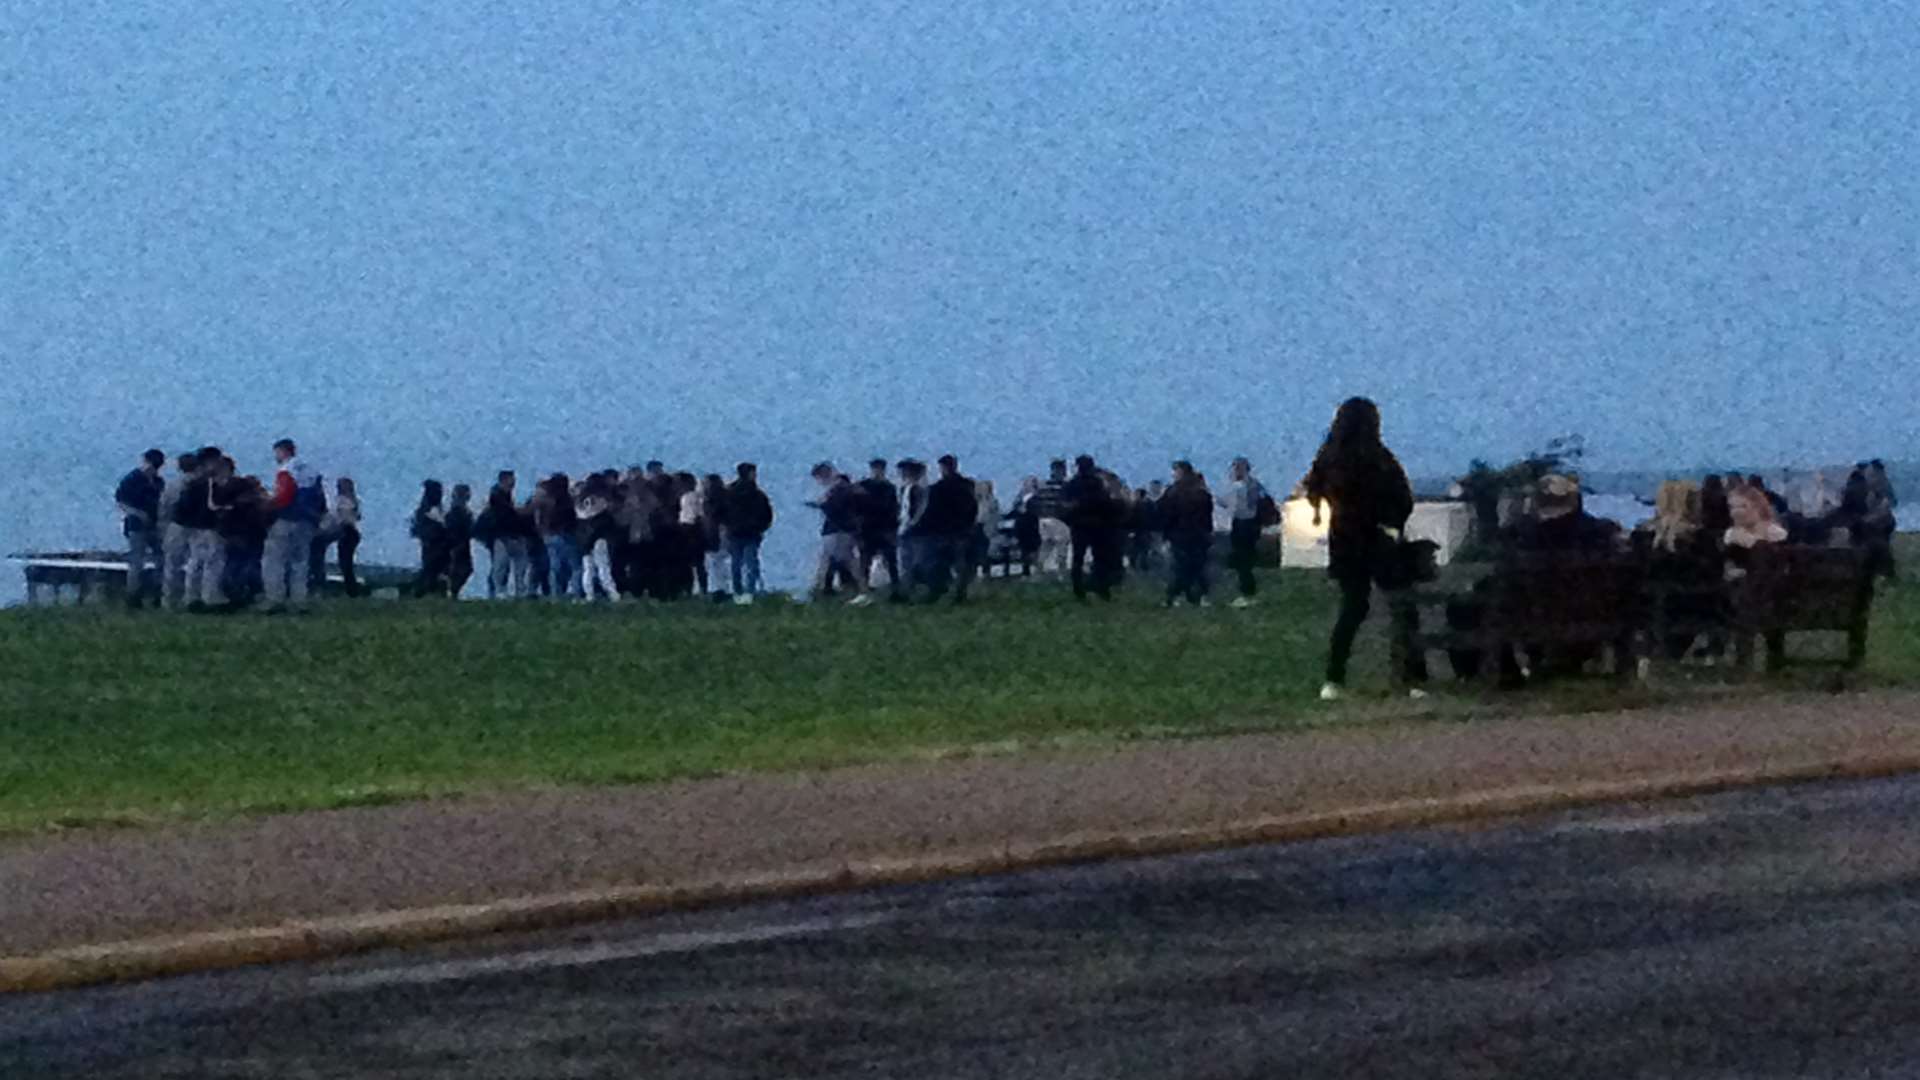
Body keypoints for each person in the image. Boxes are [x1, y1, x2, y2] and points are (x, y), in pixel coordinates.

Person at [1302, 397, 1427, 700]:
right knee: (1402, 606)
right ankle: (1413, 678)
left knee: (1353, 607)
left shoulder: (1329, 458)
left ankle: (1334, 679)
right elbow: (1402, 496)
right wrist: (1392, 522)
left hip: (1344, 540)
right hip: (1377, 538)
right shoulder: (1378, 456)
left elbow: (1313, 489)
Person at [1632, 480, 1724, 662]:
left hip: (1650, 608)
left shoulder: (1642, 538)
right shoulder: (1702, 539)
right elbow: (1714, 573)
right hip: (1696, 606)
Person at [256, 439, 325, 613]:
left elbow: (285, 495)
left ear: (282, 451)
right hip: (307, 520)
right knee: (300, 562)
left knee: (273, 561)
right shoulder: (311, 470)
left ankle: (274, 599)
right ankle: (299, 601)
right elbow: (320, 496)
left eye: (277, 453)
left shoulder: (287, 470)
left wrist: (268, 506)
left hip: (287, 518)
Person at [806, 464, 872, 605]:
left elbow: (838, 508)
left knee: (849, 561)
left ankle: (863, 591)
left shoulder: (840, 488)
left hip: (839, 530)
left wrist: (822, 505)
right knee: (827, 561)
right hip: (837, 529)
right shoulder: (841, 488)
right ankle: (818, 590)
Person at [919, 455, 980, 604]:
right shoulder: (967, 485)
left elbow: (932, 511)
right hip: (962, 530)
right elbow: (973, 507)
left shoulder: (938, 488)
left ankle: (938, 591)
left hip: (944, 531)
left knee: (937, 564)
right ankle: (960, 593)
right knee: (960, 564)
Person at [1061, 455, 1122, 600]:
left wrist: (1072, 518)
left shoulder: (1072, 484)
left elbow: (1064, 505)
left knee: (1078, 558)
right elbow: (1106, 503)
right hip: (1098, 525)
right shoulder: (1097, 484)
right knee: (1100, 558)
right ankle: (1101, 588)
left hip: (1079, 525)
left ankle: (1078, 589)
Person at [115, 449, 166, 609]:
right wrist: (138, 513)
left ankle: (157, 594)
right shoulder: (132, 479)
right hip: (136, 526)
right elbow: (121, 501)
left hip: (155, 525)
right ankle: (133, 596)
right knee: (137, 561)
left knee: (161, 559)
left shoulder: (158, 482)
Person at [1217, 457, 1270, 608]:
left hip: (1243, 524)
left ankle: (1247, 593)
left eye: (1235, 468)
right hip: (1253, 526)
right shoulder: (1256, 485)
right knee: (1247, 559)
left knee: (1243, 561)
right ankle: (1249, 592)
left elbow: (1230, 505)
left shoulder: (1239, 486)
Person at [1160, 461, 1214, 608]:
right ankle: (1199, 596)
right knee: (1198, 567)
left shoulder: (1173, 491)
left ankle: (1175, 596)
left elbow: (1166, 514)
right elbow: (1207, 515)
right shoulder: (1201, 491)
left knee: (1181, 567)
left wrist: (1166, 533)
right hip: (1199, 534)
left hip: (1179, 534)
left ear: (1180, 472)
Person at [723, 463, 773, 604]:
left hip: (734, 532)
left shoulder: (729, 492)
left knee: (736, 564)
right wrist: (761, 527)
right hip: (751, 532)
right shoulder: (757, 494)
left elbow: (723, 512)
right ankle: (749, 592)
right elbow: (767, 514)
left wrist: (728, 525)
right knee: (751, 563)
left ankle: (737, 592)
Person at [856, 458, 905, 600]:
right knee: (865, 562)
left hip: (884, 529)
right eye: (875, 468)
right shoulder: (863, 486)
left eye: (880, 469)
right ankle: (864, 591)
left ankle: (895, 591)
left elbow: (893, 509)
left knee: (890, 562)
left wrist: (894, 529)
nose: (878, 472)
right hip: (868, 529)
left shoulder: (888, 487)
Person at [159, 451, 200, 610]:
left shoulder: (172, 485)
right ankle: (190, 597)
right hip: (196, 527)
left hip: (175, 526)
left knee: (171, 565)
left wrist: (162, 527)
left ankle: (168, 600)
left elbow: (164, 507)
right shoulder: (202, 484)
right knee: (194, 564)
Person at [481, 471, 530, 599]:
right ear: (503, 480)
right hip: (503, 536)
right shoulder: (498, 497)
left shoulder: (504, 496)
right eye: (511, 481)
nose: (513, 484)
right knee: (501, 565)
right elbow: (503, 516)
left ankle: (506, 590)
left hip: (509, 535)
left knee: (509, 564)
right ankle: (501, 590)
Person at [310, 477, 362, 598]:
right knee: (346, 563)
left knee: (344, 562)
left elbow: (342, 519)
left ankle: (350, 590)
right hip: (349, 532)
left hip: (345, 532)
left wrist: (325, 529)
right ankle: (351, 589)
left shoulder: (343, 501)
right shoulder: (352, 501)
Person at [534, 473, 582, 600]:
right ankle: (575, 593)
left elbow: (540, 519)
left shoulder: (547, 501)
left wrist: (544, 532)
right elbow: (573, 519)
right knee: (574, 567)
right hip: (567, 535)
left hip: (551, 536)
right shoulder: (568, 501)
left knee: (555, 567)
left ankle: (556, 594)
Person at [897, 459, 933, 589]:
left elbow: (920, 508)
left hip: (916, 530)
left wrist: (913, 523)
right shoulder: (904, 489)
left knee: (917, 559)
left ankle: (918, 585)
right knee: (906, 559)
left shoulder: (919, 489)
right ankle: (908, 586)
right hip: (904, 528)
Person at [412, 480, 451, 597]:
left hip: (436, 544)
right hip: (433, 544)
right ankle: (422, 591)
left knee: (434, 569)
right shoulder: (428, 510)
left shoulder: (429, 509)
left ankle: (427, 591)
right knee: (431, 569)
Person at [697, 473, 730, 600]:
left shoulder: (709, 501)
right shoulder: (725, 498)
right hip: (719, 532)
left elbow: (709, 518)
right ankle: (722, 588)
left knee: (715, 561)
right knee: (718, 562)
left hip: (715, 532)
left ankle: (718, 589)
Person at [446, 483, 476, 598]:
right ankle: (453, 592)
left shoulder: (462, 510)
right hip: (458, 542)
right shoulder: (458, 511)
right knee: (460, 568)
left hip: (462, 543)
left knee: (464, 569)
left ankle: (454, 592)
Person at [1009, 476, 1044, 576]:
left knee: (1034, 548)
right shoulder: (1020, 496)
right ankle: (1026, 570)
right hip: (1022, 524)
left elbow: (1037, 509)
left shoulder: (1037, 496)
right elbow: (1015, 507)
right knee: (1024, 549)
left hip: (1033, 524)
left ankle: (1037, 570)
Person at [971, 479, 1001, 582]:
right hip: (975, 528)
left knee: (985, 551)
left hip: (987, 529)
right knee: (974, 550)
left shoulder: (992, 502)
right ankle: (973, 572)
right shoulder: (974, 501)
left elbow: (994, 517)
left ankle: (985, 572)